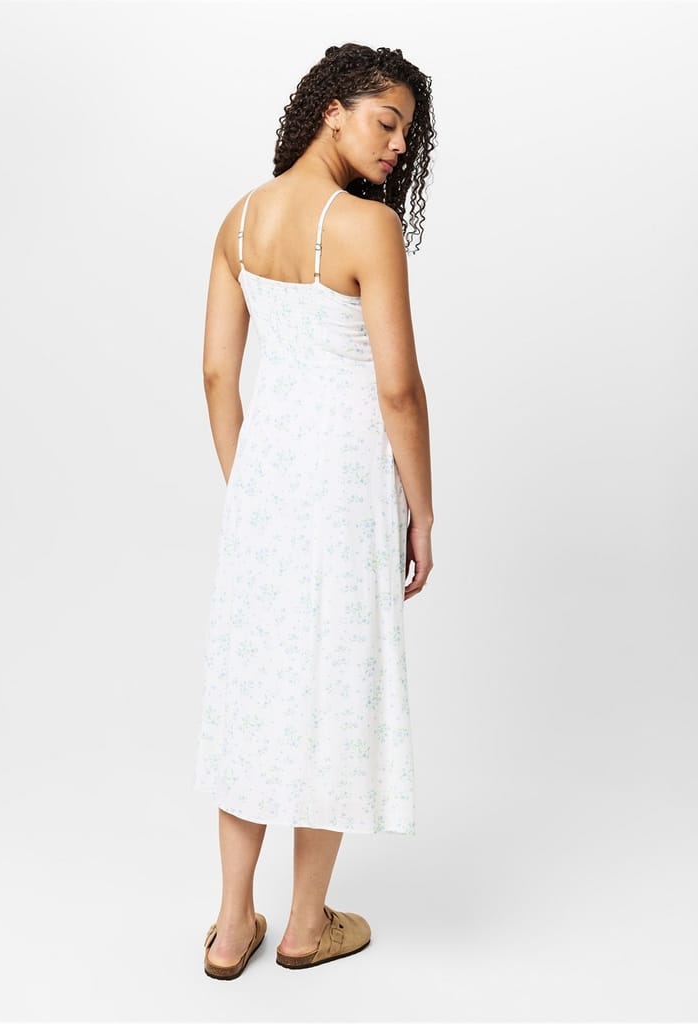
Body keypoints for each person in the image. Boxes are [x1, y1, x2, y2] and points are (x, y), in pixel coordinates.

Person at [194, 42, 436, 979]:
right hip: (346, 486)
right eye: (387, 123)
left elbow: (217, 375)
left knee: (253, 687)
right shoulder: (366, 227)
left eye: (407, 135)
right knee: (334, 685)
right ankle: (304, 924)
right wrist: (422, 511)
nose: (398, 147)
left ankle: (230, 927)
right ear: (332, 109)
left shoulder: (241, 222)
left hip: (269, 483)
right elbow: (399, 390)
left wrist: (250, 485)